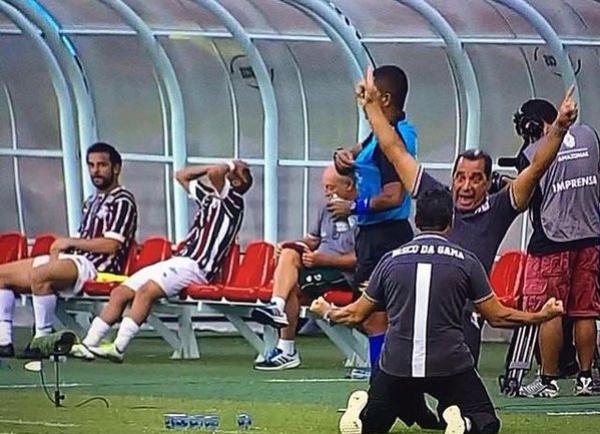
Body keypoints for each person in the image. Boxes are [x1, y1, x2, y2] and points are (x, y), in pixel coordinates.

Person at [354, 66, 578, 366]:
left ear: (488, 183)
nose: (466, 186)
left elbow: (536, 168)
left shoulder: (498, 209)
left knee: (458, 377)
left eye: (475, 178)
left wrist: (559, 128)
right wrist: (371, 105)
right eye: (460, 177)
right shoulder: (436, 198)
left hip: (462, 319)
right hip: (418, 314)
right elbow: (394, 150)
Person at [310, 188, 565, 434]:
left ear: (416, 220)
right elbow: (497, 316)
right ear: (450, 221)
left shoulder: (390, 260)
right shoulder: (467, 261)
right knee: (486, 421)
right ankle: (463, 421)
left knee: (374, 425)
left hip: (397, 366)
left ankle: (362, 414)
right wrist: (539, 316)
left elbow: (356, 314)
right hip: (448, 365)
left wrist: (327, 311)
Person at [70, 160, 252, 362]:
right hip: (178, 260)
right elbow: (181, 175)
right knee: (120, 292)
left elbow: (216, 172)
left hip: (197, 267)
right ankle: (89, 344)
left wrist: (230, 164)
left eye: (237, 172)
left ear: (237, 182)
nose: (230, 170)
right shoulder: (210, 198)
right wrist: (224, 166)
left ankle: (118, 347)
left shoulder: (233, 201)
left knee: (146, 291)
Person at [0, 142, 137, 358]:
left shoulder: (123, 201)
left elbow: (111, 245)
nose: (95, 171)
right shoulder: (91, 202)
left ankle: (42, 340)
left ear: (116, 168)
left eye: (102, 165)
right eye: (91, 165)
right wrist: (64, 249)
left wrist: (70, 243)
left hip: (97, 267)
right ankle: (3, 341)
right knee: (2, 274)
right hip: (76, 260)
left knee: (40, 275)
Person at [331, 65, 418, 376]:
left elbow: (393, 195)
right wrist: (343, 156)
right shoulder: (382, 133)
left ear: (385, 99)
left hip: (386, 235)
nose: (362, 99)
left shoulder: (391, 140)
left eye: (368, 93)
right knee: (372, 310)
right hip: (374, 235)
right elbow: (358, 153)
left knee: (373, 312)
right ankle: (384, 367)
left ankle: (383, 371)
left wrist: (352, 206)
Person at [513, 100, 600, 397]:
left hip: (551, 241)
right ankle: (585, 378)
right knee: (585, 311)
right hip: (590, 237)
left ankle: (548, 380)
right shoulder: (589, 136)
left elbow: (524, 198)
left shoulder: (531, 152)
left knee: (549, 311)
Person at [252, 166, 358, 370]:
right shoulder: (325, 208)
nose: (327, 192)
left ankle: (286, 349)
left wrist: (323, 260)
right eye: (325, 187)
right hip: (318, 266)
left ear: (349, 185)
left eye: (331, 187)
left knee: (291, 284)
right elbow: (313, 239)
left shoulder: (364, 214)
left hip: (342, 273)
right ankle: (277, 308)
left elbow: (361, 259)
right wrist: (292, 244)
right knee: (288, 253)